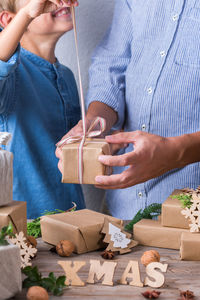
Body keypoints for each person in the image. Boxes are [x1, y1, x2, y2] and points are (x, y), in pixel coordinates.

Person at [56, 0, 200, 220]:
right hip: (121, 208)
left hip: (191, 218)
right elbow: (112, 64)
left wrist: (176, 152)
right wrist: (96, 120)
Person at [0, 0, 85, 218]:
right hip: (26, 227)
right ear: (9, 20)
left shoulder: (66, 75)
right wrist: (28, 13)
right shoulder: (12, 75)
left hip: (73, 217)